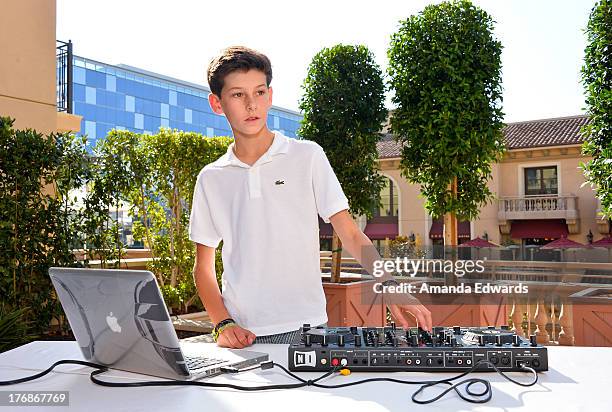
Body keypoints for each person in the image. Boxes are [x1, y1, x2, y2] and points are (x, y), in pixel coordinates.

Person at [189, 46, 432, 349]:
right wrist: (221, 323)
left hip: (307, 329)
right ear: (217, 103)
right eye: (238, 95)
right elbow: (203, 266)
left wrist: (389, 283)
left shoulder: (307, 156)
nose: (252, 104)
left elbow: (351, 233)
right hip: (241, 335)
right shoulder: (211, 178)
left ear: (270, 95)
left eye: (260, 92)